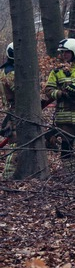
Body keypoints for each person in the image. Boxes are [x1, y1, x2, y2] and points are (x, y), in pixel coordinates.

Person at [1, 43, 15, 179]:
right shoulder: (11, 73)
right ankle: (8, 176)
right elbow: (21, 92)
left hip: (12, 111)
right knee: (16, 144)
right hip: (15, 113)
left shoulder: (6, 69)